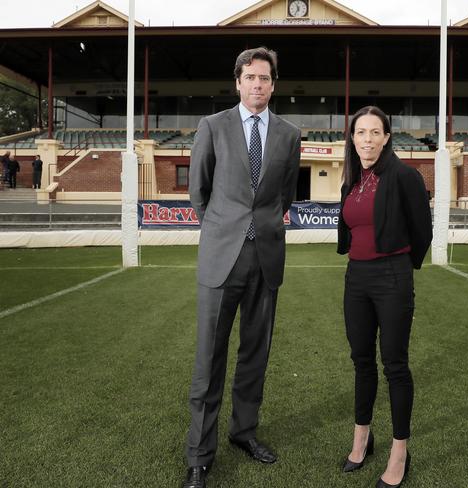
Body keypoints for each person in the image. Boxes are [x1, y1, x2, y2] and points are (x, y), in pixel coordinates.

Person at [182, 47, 301, 488]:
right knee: (208, 359)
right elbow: (199, 193)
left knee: (255, 354)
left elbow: (284, 197)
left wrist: (257, 228)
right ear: (237, 82)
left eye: (265, 78)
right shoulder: (212, 126)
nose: (258, 85)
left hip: (265, 258)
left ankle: (243, 433)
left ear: (273, 84)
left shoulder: (289, 134)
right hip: (221, 258)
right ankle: (199, 454)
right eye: (250, 77)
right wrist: (227, 228)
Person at [337, 106, 432, 488]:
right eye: (361, 132)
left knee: (394, 365)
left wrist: (399, 266)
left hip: (393, 275)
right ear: (353, 138)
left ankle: (399, 452)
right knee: (361, 361)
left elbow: (421, 230)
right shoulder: (352, 178)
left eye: (376, 132)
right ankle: (362, 439)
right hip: (356, 278)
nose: (368, 139)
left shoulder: (405, 176)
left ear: (387, 137)